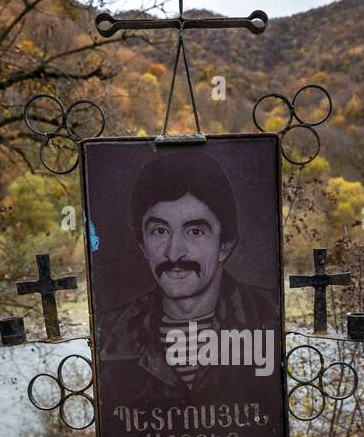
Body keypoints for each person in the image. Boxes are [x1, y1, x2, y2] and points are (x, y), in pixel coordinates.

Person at [97, 148, 279, 398]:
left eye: (195, 231)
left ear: (225, 244)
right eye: (160, 231)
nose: (174, 253)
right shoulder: (109, 333)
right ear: (143, 246)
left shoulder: (271, 315)